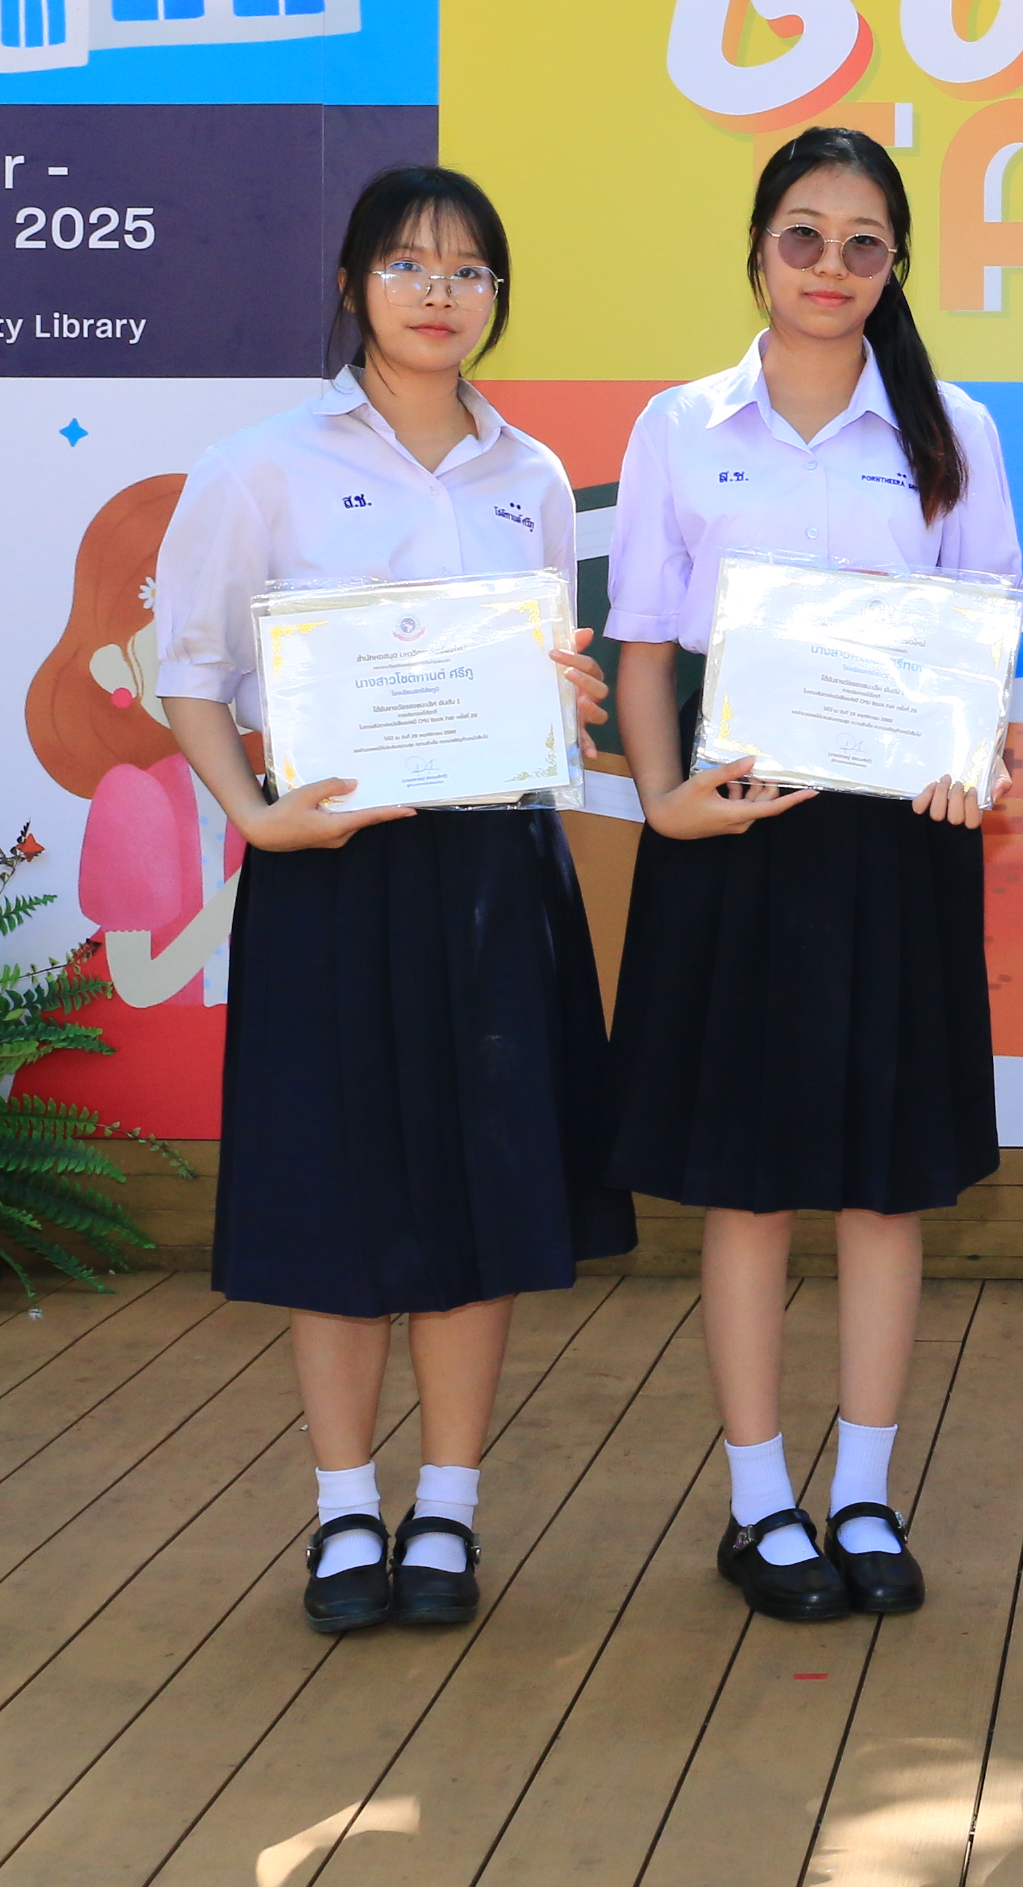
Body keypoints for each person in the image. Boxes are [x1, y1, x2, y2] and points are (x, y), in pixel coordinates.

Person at [153, 163, 633, 1638]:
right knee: (341, 1193)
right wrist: (254, 819)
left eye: (470, 270)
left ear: (498, 297)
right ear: (354, 284)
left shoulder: (530, 476)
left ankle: (450, 1511)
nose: (441, 294)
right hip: (333, 873)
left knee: (485, 1196)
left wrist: (567, 694)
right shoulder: (262, 467)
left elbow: (548, 674)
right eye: (411, 265)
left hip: (494, 869)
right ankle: (346, 1509)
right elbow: (190, 673)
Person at [604, 124, 1021, 1625]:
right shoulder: (681, 426)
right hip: (736, 837)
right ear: (758, 251)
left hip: (898, 843)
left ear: (897, 265)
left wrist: (974, 756)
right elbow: (642, 644)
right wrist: (664, 803)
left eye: (863, 243)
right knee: (748, 1187)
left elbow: (983, 631)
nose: (830, 266)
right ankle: (759, 1501)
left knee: (884, 1191)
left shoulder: (952, 430)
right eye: (803, 235)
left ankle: (863, 1491)